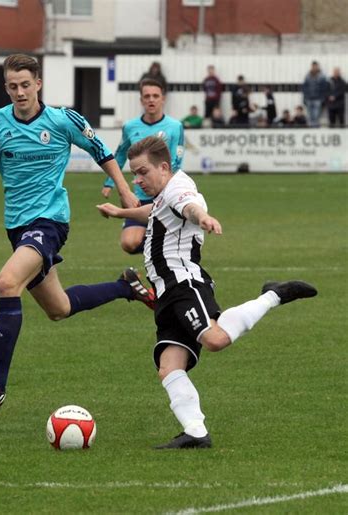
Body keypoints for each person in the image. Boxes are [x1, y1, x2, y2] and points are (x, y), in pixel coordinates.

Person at [0, 54, 154, 407]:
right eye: (12, 86)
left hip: (49, 222)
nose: (19, 92)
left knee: (8, 282)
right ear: (6, 87)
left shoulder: (62, 120)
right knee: (59, 308)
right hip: (17, 227)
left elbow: (101, 151)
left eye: (25, 85)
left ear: (38, 83)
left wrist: (124, 189)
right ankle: (125, 287)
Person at [97, 136, 317, 449]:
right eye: (135, 173)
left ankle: (274, 295)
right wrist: (121, 214)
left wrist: (203, 217)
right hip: (166, 292)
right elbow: (157, 213)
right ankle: (196, 433)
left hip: (184, 284)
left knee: (214, 339)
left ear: (164, 166)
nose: (138, 179)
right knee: (169, 367)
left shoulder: (178, 188)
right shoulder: (164, 193)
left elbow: (189, 206)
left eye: (143, 172)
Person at [101, 78, 184, 255]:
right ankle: (160, 241)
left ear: (163, 99)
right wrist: (110, 182)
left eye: (155, 96)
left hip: (165, 194)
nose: (151, 99)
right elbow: (120, 154)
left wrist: (169, 186)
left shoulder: (175, 127)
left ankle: (162, 248)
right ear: (141, 100)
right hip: (139, 195)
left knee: (166, 245)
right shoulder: (130, 127)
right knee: (129, 243)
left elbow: (177, 160)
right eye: (147, 96)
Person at [302, 61, 329, 127]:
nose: (314, 67)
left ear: (317, 66)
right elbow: (304, 87)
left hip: (318, 99)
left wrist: (323, 98)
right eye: (313, 66)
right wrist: (305, 97)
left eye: (315, 66)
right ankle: (311, 129)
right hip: (309, 99)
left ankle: (315, 130)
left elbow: (324, 88)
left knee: (316, 116)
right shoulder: (308, 76)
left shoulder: (322, 76)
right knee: (310, 116)